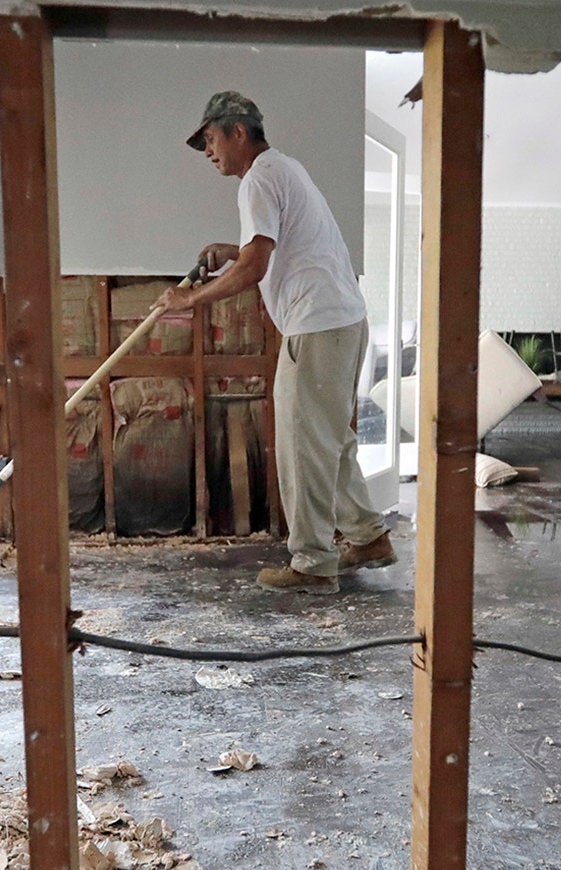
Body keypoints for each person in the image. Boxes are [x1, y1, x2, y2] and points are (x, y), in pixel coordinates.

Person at [156, 91, 393, 595]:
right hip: (341, 320)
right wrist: (231, 247)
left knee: (304, 445)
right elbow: (262, 249)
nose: (207, 151)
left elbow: (253, 267)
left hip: (316, 325)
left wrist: (190, 299)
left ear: (238, 131)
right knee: (330, 439)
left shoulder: (259, 177)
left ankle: (312, 563)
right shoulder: (284, 169)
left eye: (211, 139)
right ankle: (368, 536)